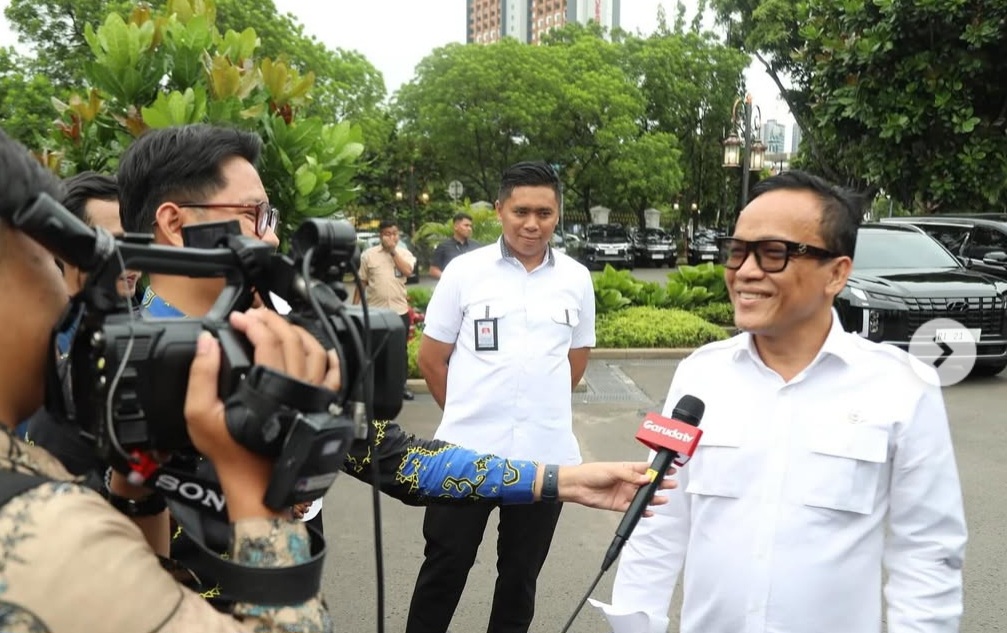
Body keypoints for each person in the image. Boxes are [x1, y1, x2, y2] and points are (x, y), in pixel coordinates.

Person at [0, 126, 682, 632]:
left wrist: (558, 479)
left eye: (269, 219)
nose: (268, 238)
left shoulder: (274, 350)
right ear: (174, 223)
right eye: (252, 216)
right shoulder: (88, 373)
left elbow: (393, 458)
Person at [606, 170, 968, 633]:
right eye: (737, 251)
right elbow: (656, 519)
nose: (746, 271)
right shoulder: (700, 375)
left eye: (774, 253)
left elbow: (928, 554)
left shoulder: (901, 387)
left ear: (836, 273)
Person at [405, 161, 596, 633]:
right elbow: (432, 360)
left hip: (543, 459)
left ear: (558, 214)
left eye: (545, 213)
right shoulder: (464, 273)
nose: (532, 224)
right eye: (521, 211)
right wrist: (472, 414)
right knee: (443, 570)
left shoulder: (576, 278)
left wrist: (535, 407)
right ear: (499, 210)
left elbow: (575, 360)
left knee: (519, 580)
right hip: (463, 456)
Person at [19, 171, 136, 468]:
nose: (131, 258)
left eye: (137, 240)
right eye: (114, 244)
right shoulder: (30, 344)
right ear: (63, 247)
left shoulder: (143, 324)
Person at [353, 217, 417, 399]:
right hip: (375, 313)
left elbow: (407, 271)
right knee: (374, 349)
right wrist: (355, 307)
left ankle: (401, 386)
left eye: (394, 234)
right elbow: (362, 282)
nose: (391, 237)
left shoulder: (404, 254)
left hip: (399, 311)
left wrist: (393, 252)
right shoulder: (368, 255)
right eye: (387, 234)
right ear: (380, 235)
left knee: (399, 350)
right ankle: (374, 386)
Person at [429, 212, 480, 279]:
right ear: (456, 226)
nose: (469, 228)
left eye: (470, 226)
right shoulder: (443, 247)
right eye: (466, 225)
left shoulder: (476, 246)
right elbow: (433, 270)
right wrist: (448, 279)